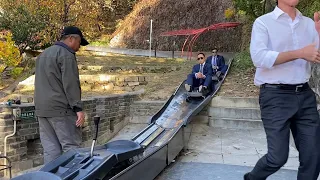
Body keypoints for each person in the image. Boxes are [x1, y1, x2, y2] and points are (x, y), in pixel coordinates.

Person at [244, 0, 320, 180]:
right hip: (275, 96)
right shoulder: (264, 22)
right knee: (277, 158)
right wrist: (299, 53)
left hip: (305, 94)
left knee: (314, 156)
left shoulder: (309, 23)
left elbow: (315, 55)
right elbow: (259, 57)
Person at [34, 26, 89, 163]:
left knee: (51, 150)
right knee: (72, 148)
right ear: (71, 39)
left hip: (42, 110)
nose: (79, 47)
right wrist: (78, 109)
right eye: (79, 43)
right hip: (61, 110)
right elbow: (71, 84)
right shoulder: (66, 55)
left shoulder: (43, 55)